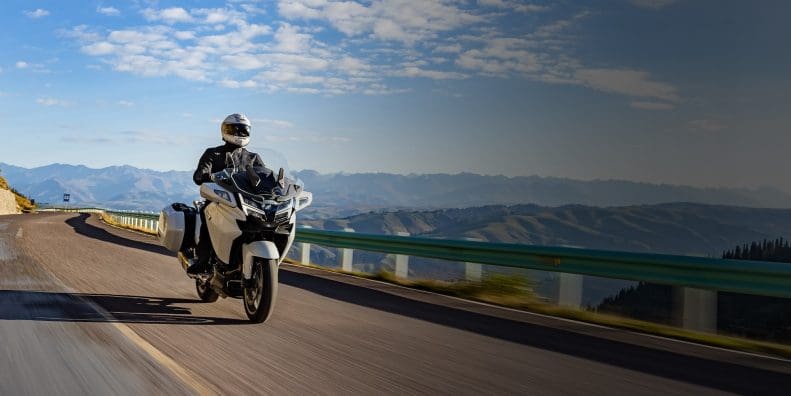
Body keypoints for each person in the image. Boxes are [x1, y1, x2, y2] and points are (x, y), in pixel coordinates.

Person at [187, 113, 263, 275]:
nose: (239, 134)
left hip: (245, 203)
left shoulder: (253, 158)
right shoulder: (212, 154)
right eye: (235, 130)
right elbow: (199, 175)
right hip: (219, 200)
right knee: (208, 216)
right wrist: (208, 176)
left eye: (243, 130)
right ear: (225, 131)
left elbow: (263, 178)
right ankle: (203, 260)